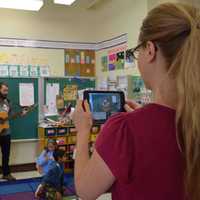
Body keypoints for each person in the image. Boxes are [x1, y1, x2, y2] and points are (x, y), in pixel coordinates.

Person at [72, 3, 200, 200]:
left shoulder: (123, 130)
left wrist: (82, 132)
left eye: (136, 51)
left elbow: (85, 190)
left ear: (150, 50)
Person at [0, 82, 27, 181]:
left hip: (6, 132)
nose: (6, 92)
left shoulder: (8, 102)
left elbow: (11, 115)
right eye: (4, 90)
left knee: (6, 154)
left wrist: (21, 113)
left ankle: (6, 174)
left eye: (7, 90)